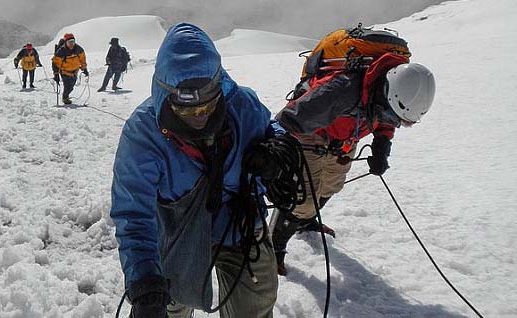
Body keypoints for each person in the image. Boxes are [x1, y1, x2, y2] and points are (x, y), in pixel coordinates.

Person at [111, 23, 283, 318]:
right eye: (189, 110)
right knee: (169, 306)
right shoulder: (143, 133)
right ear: (166, 96)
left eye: (208, 105)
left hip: (239, 224)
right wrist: (145, 281)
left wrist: (278, 148)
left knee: (255, 306)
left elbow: (272, 130)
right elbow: (134, 215)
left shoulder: (242, 106)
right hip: (177, 233)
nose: (200, 116)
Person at [272, 53, 436, 276]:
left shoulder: (388, 98)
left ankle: (304, 222)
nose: (393, 121)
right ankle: (274, 248)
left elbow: (385, 121)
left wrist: (381, 147)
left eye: (399, 121)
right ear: (386, 93)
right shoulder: (340, 90)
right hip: (310, 133)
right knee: (302, 198)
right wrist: (274, 151)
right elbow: (288, 119)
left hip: (346, 138)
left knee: (332, 184)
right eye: (392, 115)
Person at [52, 33, 88, 104]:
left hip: (74, 72)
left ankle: (66, 96)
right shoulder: (61, 51)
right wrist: (56, 74)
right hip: (64, 72)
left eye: (72, 41)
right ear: (65, 43)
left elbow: (82, 60)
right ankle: (65, 98)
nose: (71, 44)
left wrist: (84, 69)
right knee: (67, 86)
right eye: (69, 42)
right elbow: (55, 63)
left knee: (71, 87)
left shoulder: (79, 49)